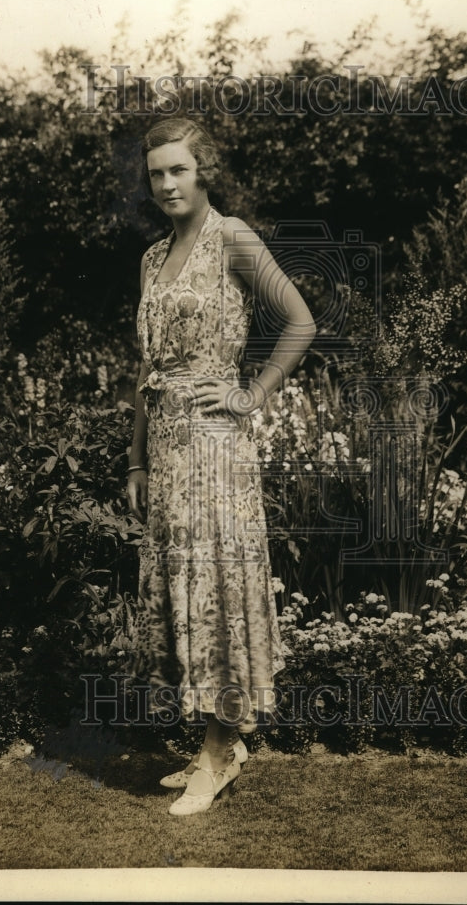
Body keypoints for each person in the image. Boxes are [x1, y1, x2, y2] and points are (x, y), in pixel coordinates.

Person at [126, 118, 316, 816]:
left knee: (218, 596)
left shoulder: (232, 236)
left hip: (216, 449)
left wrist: (251, 393)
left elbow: (300, 320)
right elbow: (145, 369)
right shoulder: (150, 259)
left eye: (179, 169)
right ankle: (220, 745)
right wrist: (137, 460)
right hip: (168, 453)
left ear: (203, 171)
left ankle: (215, 758)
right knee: (184, 593)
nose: (167, 184)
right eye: (156, 174)